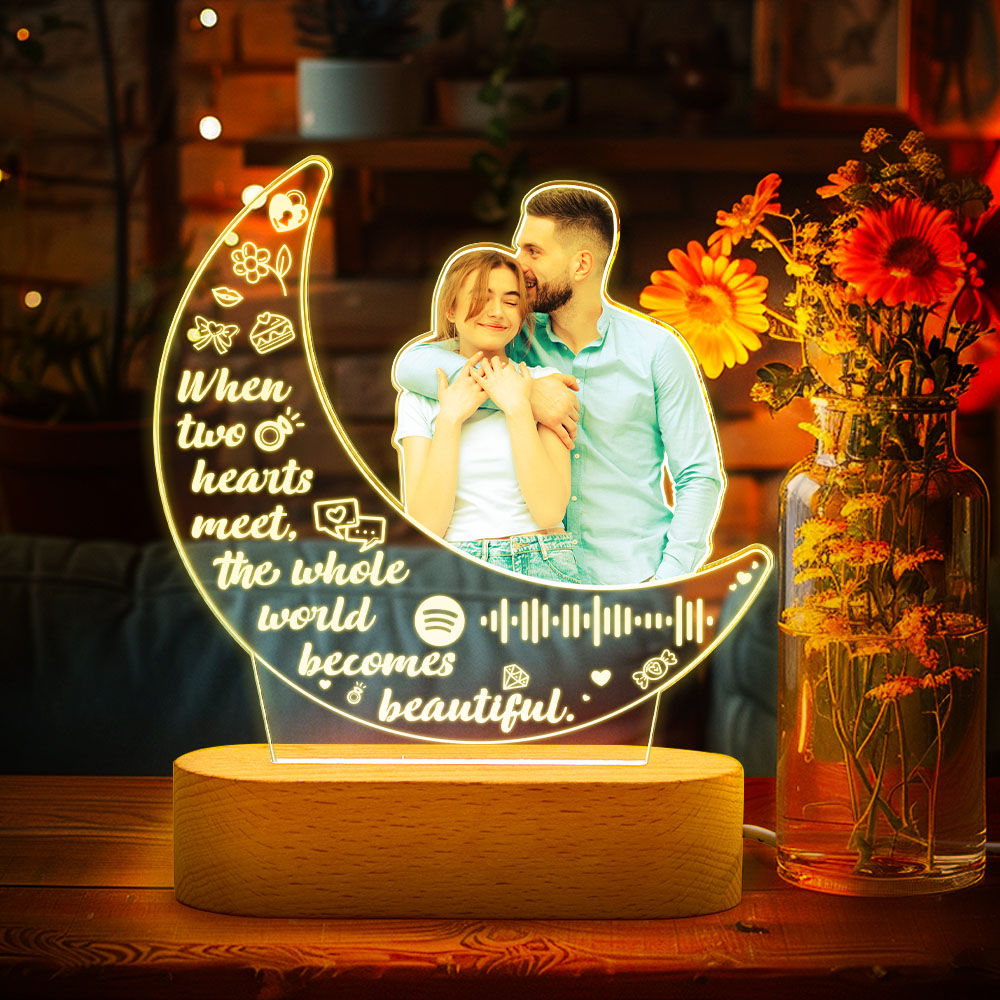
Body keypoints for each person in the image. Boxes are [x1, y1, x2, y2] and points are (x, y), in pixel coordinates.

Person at [393, 182, 725, 585]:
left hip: (633, 575)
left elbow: (698, 477)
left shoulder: (657, 350)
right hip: (542, 577)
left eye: (533, 251)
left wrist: (669, 578)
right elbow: (413, 365)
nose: (519, 264)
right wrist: (528, 394)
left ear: (581, 265)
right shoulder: (513, 336)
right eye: (519, 248)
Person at [392, 246, 582, 585]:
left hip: (542, 560)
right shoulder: (420, 398)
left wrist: (518, 408)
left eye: (511, 302)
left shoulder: (544, 386)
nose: (496, 312)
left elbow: (550, 511)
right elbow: (426, 525)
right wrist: (449, 420)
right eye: (482, 297)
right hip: (456, 566)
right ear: (451, 309)